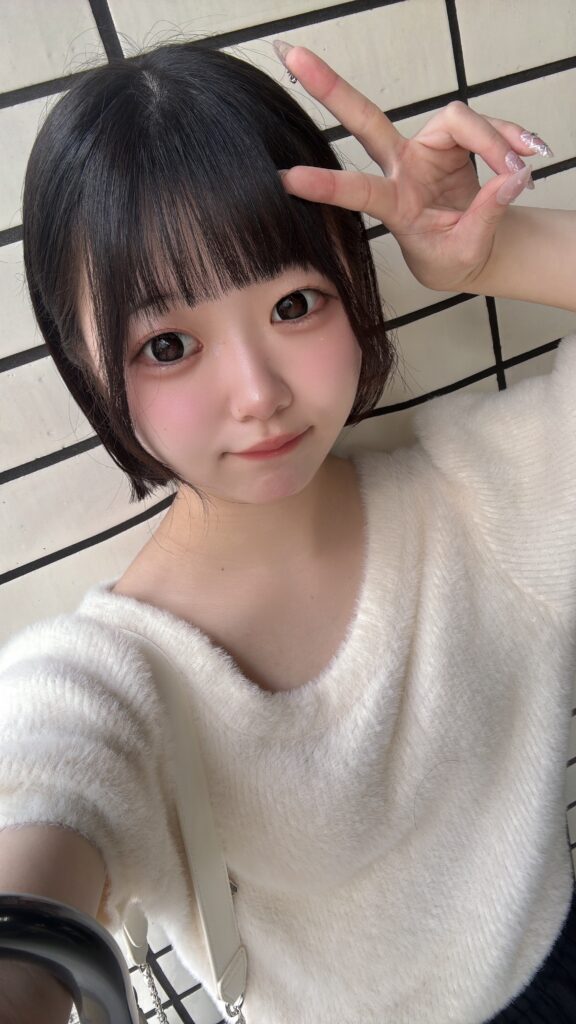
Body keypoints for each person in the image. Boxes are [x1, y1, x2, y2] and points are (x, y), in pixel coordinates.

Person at [0, 37, 576, 1024]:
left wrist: (497, 253)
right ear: (84, 364)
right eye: (168, 345)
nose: (258, 393)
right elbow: (44, 785)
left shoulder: (485, 496)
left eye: (295, 303)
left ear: (354, 280)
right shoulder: (114, 677)